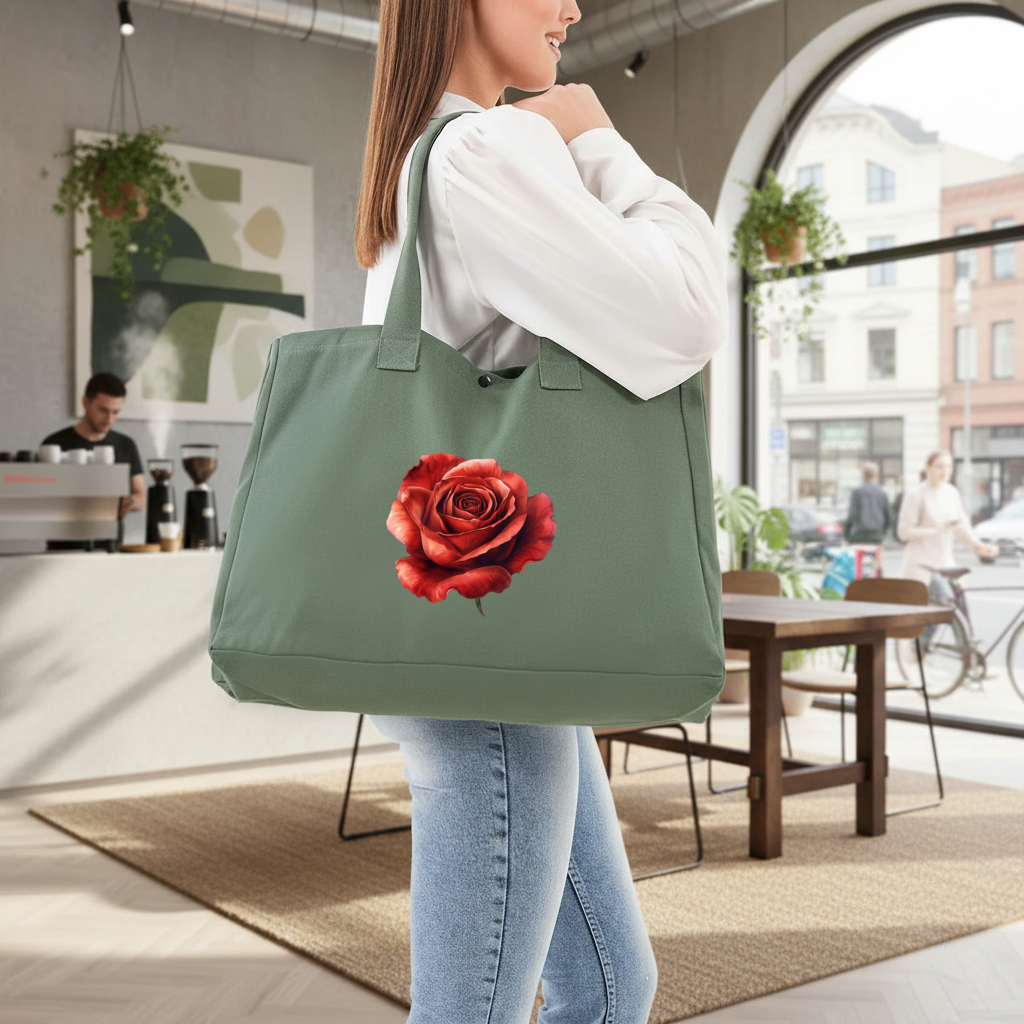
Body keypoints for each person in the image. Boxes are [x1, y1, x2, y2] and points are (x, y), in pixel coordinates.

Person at [355, 1, 726, 1021]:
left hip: (475, 637)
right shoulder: (485, 148)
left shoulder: (431, 158)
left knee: (611, 985)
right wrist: (601, 143)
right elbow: (687, 311)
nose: (572, 4)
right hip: (486, 654)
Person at [42, 372, 146, 548]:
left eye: (115, 412)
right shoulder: (55, 444)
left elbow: (141, 495)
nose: (109, 419)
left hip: (110, 548)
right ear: (85, 403)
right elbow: (42, 500)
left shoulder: (125, 445)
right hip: (63, 550)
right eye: (103, 410)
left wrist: (130, 502)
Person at [898, 450, 997, 594]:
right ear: (928, 468)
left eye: (948, 467)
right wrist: (934, 530)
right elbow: (903, 532)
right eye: (939, 466)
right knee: (939, 609)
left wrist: (978, 546)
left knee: (960, 609)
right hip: (921, 567)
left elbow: (961, 527)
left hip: (946, 564)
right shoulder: (916, 495)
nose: (945, 471)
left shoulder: (952, 493)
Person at [844, 462, 892, 544]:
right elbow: (888, 516)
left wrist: (847, 534)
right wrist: (883, 532)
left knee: (859, 555)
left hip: (860, 534)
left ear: (863, 475)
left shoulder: (857, 492)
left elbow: (852, 515)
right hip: (877, 534)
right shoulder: (882, 493)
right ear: (876, 475)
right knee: (875, 556)